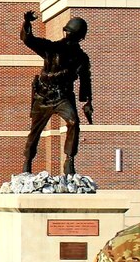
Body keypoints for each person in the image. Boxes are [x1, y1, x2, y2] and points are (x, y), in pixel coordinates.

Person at [20, 11, 93, 176]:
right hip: (43, 96)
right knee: (35, 132)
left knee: (73, 122)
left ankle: (69, 161)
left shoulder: (81, 58)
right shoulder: (52, 48)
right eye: (67, 32)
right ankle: (27, 162)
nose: (67, 36)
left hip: (63, 97)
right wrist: (27, 23)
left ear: (79, 37)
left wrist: (87, 102)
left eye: (71, 34)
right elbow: (28, 40)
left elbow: (86, 80)